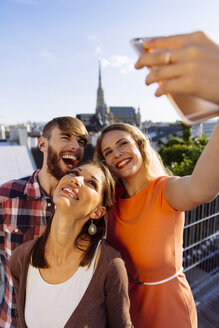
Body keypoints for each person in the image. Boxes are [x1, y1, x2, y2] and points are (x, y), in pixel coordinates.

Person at [94, 31, 219, 328]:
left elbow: (203, 187)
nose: (117, 154)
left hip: (167, 309)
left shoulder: (164, 191)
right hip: (124, 309)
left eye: (123, 143)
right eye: (108, 151)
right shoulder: (110, 203)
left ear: (140, 145)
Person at [9, 161, 132, 328]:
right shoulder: (21, 258)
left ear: (98, 211)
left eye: (91, 183)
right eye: (74, 173)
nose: (76, 180)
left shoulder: (109, 264)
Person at [0, 116, 88, 327]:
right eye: (66, 137)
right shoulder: (7, 196)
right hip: (15, 319)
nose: (75, 146)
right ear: (42, 144)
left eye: (81, 142)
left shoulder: (86, 203)